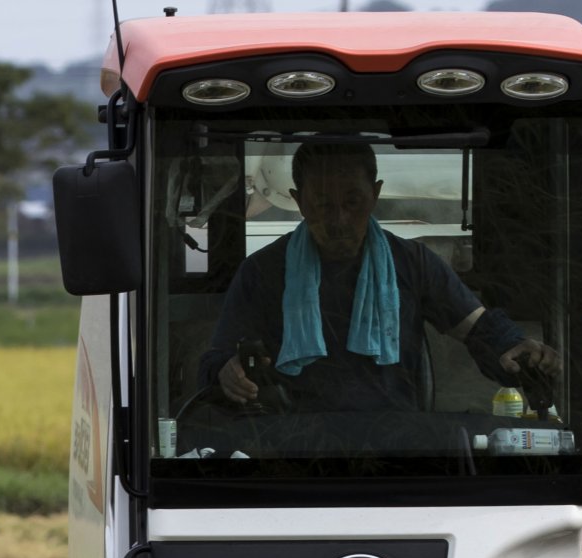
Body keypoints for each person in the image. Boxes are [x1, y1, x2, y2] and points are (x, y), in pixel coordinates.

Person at [199, 141, 559, 413]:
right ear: (299, 201)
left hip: (398, 444)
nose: (339, 219)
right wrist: (227, 373)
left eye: (352, 202)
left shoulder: (414, 263)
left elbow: (478, 328)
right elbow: (218, 359)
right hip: (293, 447)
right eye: (323, 204)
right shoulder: (261, 271)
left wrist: (514, 347)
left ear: (375, 194)